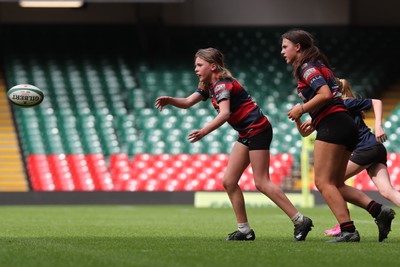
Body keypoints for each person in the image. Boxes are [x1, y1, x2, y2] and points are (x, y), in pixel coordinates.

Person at [155, 47, 313, 241]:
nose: (195, 69)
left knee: (262, 182)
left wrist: (204, 131)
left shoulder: (222, 85)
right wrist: (171, 100)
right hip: (246, 133)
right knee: (229, 181)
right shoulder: (207, 84)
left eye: (199, 65)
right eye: (195, 65)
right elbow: (188, 102)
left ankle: (300, 220)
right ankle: (244, 230)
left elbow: (225, 114)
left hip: (258, 130)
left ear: (213, 66)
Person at [281, 29, 361, 242]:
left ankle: (348, 230)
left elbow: (324, 95)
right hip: (345, 124)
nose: (282, 51)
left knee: (323, 182)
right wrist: (314, 120)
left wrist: (302, 109)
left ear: (298, 47)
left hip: (334, 125)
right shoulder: (319, 65)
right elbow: (332, 98)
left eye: (285, 46)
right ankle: (369, 216)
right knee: (334, 182)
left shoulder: (306, 68)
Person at [321, 78, 396, 241]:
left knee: (332, 183)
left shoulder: (344, 104)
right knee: (387, 191)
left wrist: (378, 125)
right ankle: (350, 221)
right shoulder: (337, 108)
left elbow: (376, 102)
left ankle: (345, 224)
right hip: (375, 147)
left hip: (366, 148)